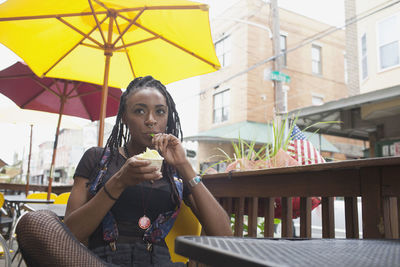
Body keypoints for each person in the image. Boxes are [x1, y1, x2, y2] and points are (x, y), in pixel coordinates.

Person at [16, 76, 232, 267]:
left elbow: (224, 236)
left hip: (157, 261)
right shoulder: (97, 158)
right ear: (124, 118)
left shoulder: (175, 170)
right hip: (100, 260)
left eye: (160, 111)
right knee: (34, 222)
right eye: (139, 110)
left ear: (167, 118)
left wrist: (184, 165)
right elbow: (70, 236)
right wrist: (118, 181)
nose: (150, 120)